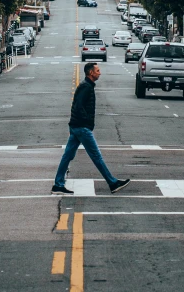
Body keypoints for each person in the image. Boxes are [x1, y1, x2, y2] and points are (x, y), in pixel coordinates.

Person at [51, 62, 130, 195]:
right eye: (98, 70)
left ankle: (58, 184)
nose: (100, 73)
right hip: (82, 128)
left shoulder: (87, 86)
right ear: (91, 73)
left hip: (77, 127)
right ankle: (112, 183)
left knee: (67, 156)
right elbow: (78, 106)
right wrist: (87, 122)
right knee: (96, 156)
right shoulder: (86, 87)